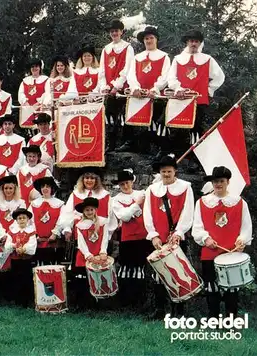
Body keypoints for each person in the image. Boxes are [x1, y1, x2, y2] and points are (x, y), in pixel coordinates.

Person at [192, 166, 252, 317]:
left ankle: (231, 320)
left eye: (221, 181)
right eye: (215, 181)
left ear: (228, 182)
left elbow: (246, 227)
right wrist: (206, 238)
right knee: (212, 288)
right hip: (210, 252)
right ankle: (214, 319)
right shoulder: (202, 203)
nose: (218, 184)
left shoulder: (239, 203)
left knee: (232, 289)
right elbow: (197, 227)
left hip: (231, 254)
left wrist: (241, 240)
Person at [143, 154, 194, 318]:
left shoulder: (185, 187)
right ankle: (159, 310)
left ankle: (178, 311)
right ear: (160, 172)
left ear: (175, 171)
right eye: (163, 172)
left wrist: (179, 232)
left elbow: (188, 212)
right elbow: (148, 213)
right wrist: (153, 235)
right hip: (159, 238)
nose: (166, 174)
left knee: (177, 273)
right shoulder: (152, 190)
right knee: (159, 275)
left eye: (169, 171)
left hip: (175, 238)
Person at [168, 29, 225, 145]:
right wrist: (177, 88)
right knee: (179, 126)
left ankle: (195, 155)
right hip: (181, 99)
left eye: (196, 41)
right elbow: (171, 77)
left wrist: (209, 89)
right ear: (187, 42)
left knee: (196, 128)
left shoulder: (207, 59)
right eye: (191, 41)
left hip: (199, 100)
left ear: (199, 44)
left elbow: (220, 76)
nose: (193, 44)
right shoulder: (178, 59)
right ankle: (178, 152)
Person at [124, 26, 171, 153]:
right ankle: (142, 149)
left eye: (151, 38)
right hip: (139, 96)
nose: (148, 41)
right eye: (146, 38)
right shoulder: (138, 57)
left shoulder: (164, 57)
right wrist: (135, 88)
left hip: (155, 97)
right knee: (138, 123)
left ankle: (160, 150)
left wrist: (155, 89)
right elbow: (131, 74)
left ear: (156, 39)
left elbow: (166, 76)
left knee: (157, 122)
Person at [111, 169, 150, 308]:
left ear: (132, 181)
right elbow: (124, 216)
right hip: (127, 238)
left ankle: (139, 301)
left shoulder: (142, 194)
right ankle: (126, 301)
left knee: (140, 267)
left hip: (143, 236)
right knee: (127, 268)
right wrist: (136, 204)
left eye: (127, 183)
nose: (125, 186)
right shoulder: (115, 200)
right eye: (122, 184)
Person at [99, 19, 134, 151]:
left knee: (124, 115)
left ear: (121, 32)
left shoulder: (127, 47)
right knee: (109, 116)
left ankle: (126, 143)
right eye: (112, 31)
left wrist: (117, 86)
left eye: (116, 31)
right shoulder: (106, 49)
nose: (114, 33)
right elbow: (102, 70)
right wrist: (104, 86)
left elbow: (127, 68)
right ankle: (111, 143)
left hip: (122, 88)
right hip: (109, 89)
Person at [70, 197, 111, 307]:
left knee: (98, 278)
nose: (89, 212)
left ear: (95, 210)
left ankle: (100, 302)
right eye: (87, 210)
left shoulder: (103, 222)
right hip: (85, 255)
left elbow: (105, 237)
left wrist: (103, 251)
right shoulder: (80, 225)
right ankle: (83, 303)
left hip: (99, 254)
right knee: (83, 279)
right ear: (83, 211)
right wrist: (88, 255)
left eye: (91, 209)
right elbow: (81, 241)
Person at [4, 208, 37, 307]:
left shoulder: (31, 232)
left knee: (27, 279)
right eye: (19, 218)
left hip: (27, 260)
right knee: (16, 278)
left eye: (24, 218)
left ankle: (27, 300)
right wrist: (14, 246)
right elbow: (7, 245)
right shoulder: (12, 231)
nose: (22, 220)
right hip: (15, 260)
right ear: (16, 220)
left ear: (27, 219)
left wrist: (24, 249)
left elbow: (32, 245)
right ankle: (17, 300)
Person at [28, 177, 64, 265]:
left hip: (54, 242)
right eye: (43, 186)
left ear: (52, 188)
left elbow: (62, 220)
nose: (45, 188)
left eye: (48, 186)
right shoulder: (34, 204)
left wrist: (55, 233)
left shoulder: (60, 204)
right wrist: (34, 235)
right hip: (38, 241)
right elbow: (29, 221)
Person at [0, 175, 26, 243]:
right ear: (2, 189)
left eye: (10, 188)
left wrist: (10, 235)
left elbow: (21, 221)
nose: (8, 190)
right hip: (1, 237)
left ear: (14, 189)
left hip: (16, 236)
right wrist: (3, 235)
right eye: (6, 188)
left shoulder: (21, 203)